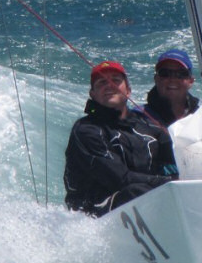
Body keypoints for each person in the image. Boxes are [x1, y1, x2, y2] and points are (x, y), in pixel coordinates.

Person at [64, 60, 179, 217]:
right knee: (140, 192)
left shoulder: (148, 127)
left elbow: (179, 156)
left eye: (115, 80)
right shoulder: (86, 131)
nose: (109, 85)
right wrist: (167, 182)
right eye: (101, 82)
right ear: (93, 94)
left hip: (145, 202)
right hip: (94, 212)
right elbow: (121, 178)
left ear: (129, 90)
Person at [141, 49, 200, 127]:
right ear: (156, 79)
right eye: (165, 73)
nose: (173, 79)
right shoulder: (139, 118)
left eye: (181, 74)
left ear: (191, 81)